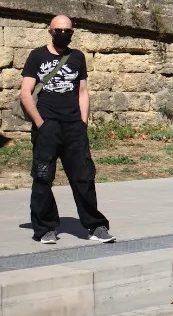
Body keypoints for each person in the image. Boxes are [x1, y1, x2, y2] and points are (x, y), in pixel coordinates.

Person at [20, 15, 114, 244]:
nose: (63, 34)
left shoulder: (77, 57)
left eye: (68, 31)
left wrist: (83, 123)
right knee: (43, 177)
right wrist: (41, 123)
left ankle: (95, 227)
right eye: (59, 30)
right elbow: (25, 93)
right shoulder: (37, 56)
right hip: (48, 126)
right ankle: (44, 229)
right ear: (50, 31)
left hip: (74, 127)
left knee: (84, 177)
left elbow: (83, 92)